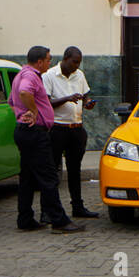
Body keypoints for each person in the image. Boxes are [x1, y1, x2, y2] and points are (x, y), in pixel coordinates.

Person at [11, 46, 84, 234]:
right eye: (48, 59)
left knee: (27, 176)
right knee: (49, 176)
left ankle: (25, 218)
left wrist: (21, 114)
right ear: (40, 61)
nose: (50, 62)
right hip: (35, 132)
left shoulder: (20, 74)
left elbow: (12, 102)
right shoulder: (30, 76)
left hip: (25, 130)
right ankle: (58, 220)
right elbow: (24, 93)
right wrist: (34, 112)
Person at [41, 46, 98, 220]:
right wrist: (67, 98)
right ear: (65, 58)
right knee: (51, 171)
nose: (76, 65)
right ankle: (47, 211)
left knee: (75, 170)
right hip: (57, 128)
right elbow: (46, 102)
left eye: (79, 62)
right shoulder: (49, 75)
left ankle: (77, 206)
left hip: (76, 128)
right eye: (74, 62)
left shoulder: (79, 75)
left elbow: (86, 93)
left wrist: (87, 102)